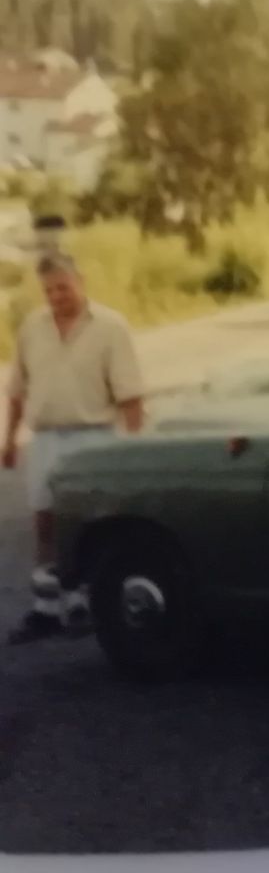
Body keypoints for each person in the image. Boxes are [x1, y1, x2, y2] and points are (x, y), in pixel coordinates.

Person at [3, 250, 145, 644]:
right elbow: (17, 390)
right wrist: (9, 438)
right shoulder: (32, 327)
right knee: (45, 524)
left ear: (80, 282)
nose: (56, 297)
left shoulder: (111, 327)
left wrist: (133, 451)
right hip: (46, 438)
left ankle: (84, 605)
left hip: (93, 437)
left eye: (63, 288)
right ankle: (46, 609)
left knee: (90, 524)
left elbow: (131, 398)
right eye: (48, 291)